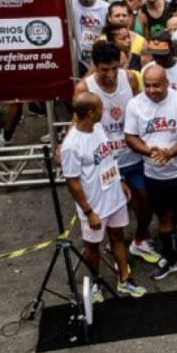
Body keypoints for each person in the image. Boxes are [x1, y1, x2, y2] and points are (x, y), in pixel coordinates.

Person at [75, 41, 162, 266]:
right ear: (94, 65)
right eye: (105, 69)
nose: (111, 74)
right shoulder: (84, 88)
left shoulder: (131, 78)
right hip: (105, 163)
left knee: (145, 203)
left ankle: (141, 238)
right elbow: (78, 124)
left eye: (115, 67)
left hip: (132, 156)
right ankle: (117, 249)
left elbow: (143, 109)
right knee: (113, 214)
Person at [60, 91, 146, 302]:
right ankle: (96, 283)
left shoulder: (98, 128)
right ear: (90, 112)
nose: (104, 111)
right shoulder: (71, 145)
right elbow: (72, 181)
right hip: (95, 207)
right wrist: (89, 212)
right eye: (100, 108)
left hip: (114, 198)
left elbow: (108, 159)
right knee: (92, 247)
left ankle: (125, 279)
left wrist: (121, 182)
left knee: (117, 237)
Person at [124, 64, 177, 283]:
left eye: (157, 86)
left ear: (167, 83)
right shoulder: (135, 104)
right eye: (147, 86)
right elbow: (130, 137)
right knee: (164, 219)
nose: (152, 91)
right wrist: (149, 151)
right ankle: (170, 258)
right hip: (155, 174)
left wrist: (171, 153)